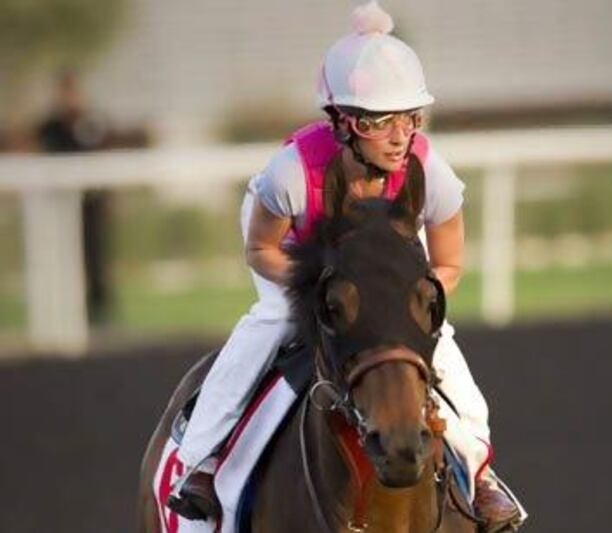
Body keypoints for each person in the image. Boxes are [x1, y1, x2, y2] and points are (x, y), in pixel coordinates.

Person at [168, 2, 524, 530]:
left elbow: (449, 263)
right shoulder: (291, 172)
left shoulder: (432, 172)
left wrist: (407, 302)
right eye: (381, 122)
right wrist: (316, 292)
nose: (401, 136)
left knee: (440, 339)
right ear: (342, 123)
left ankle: (482, 474)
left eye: (411, 118)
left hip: (388, 260)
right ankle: (202, 460)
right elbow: (259, 248)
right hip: (295, 248)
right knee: (273, 326)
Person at [37, 70, 113, 324]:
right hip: (59, 208)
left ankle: (100, 311)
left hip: (90, 205)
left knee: (96, 258)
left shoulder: (91, 121)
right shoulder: (51, 126)